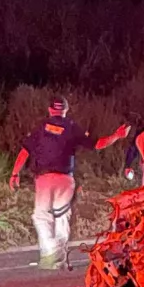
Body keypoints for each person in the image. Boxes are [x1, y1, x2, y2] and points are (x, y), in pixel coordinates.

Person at [9, 98, 127, 269]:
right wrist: (116, 135)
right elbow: (97, 144)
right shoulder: (72, 127)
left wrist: (15, 173)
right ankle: (59, 257)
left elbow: (24, 151)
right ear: (65, 110)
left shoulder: (41, 127)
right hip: (65, 180)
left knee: (42, 216)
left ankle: (50, 255)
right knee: (62, 217)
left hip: (44, 179)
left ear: (50, 109)